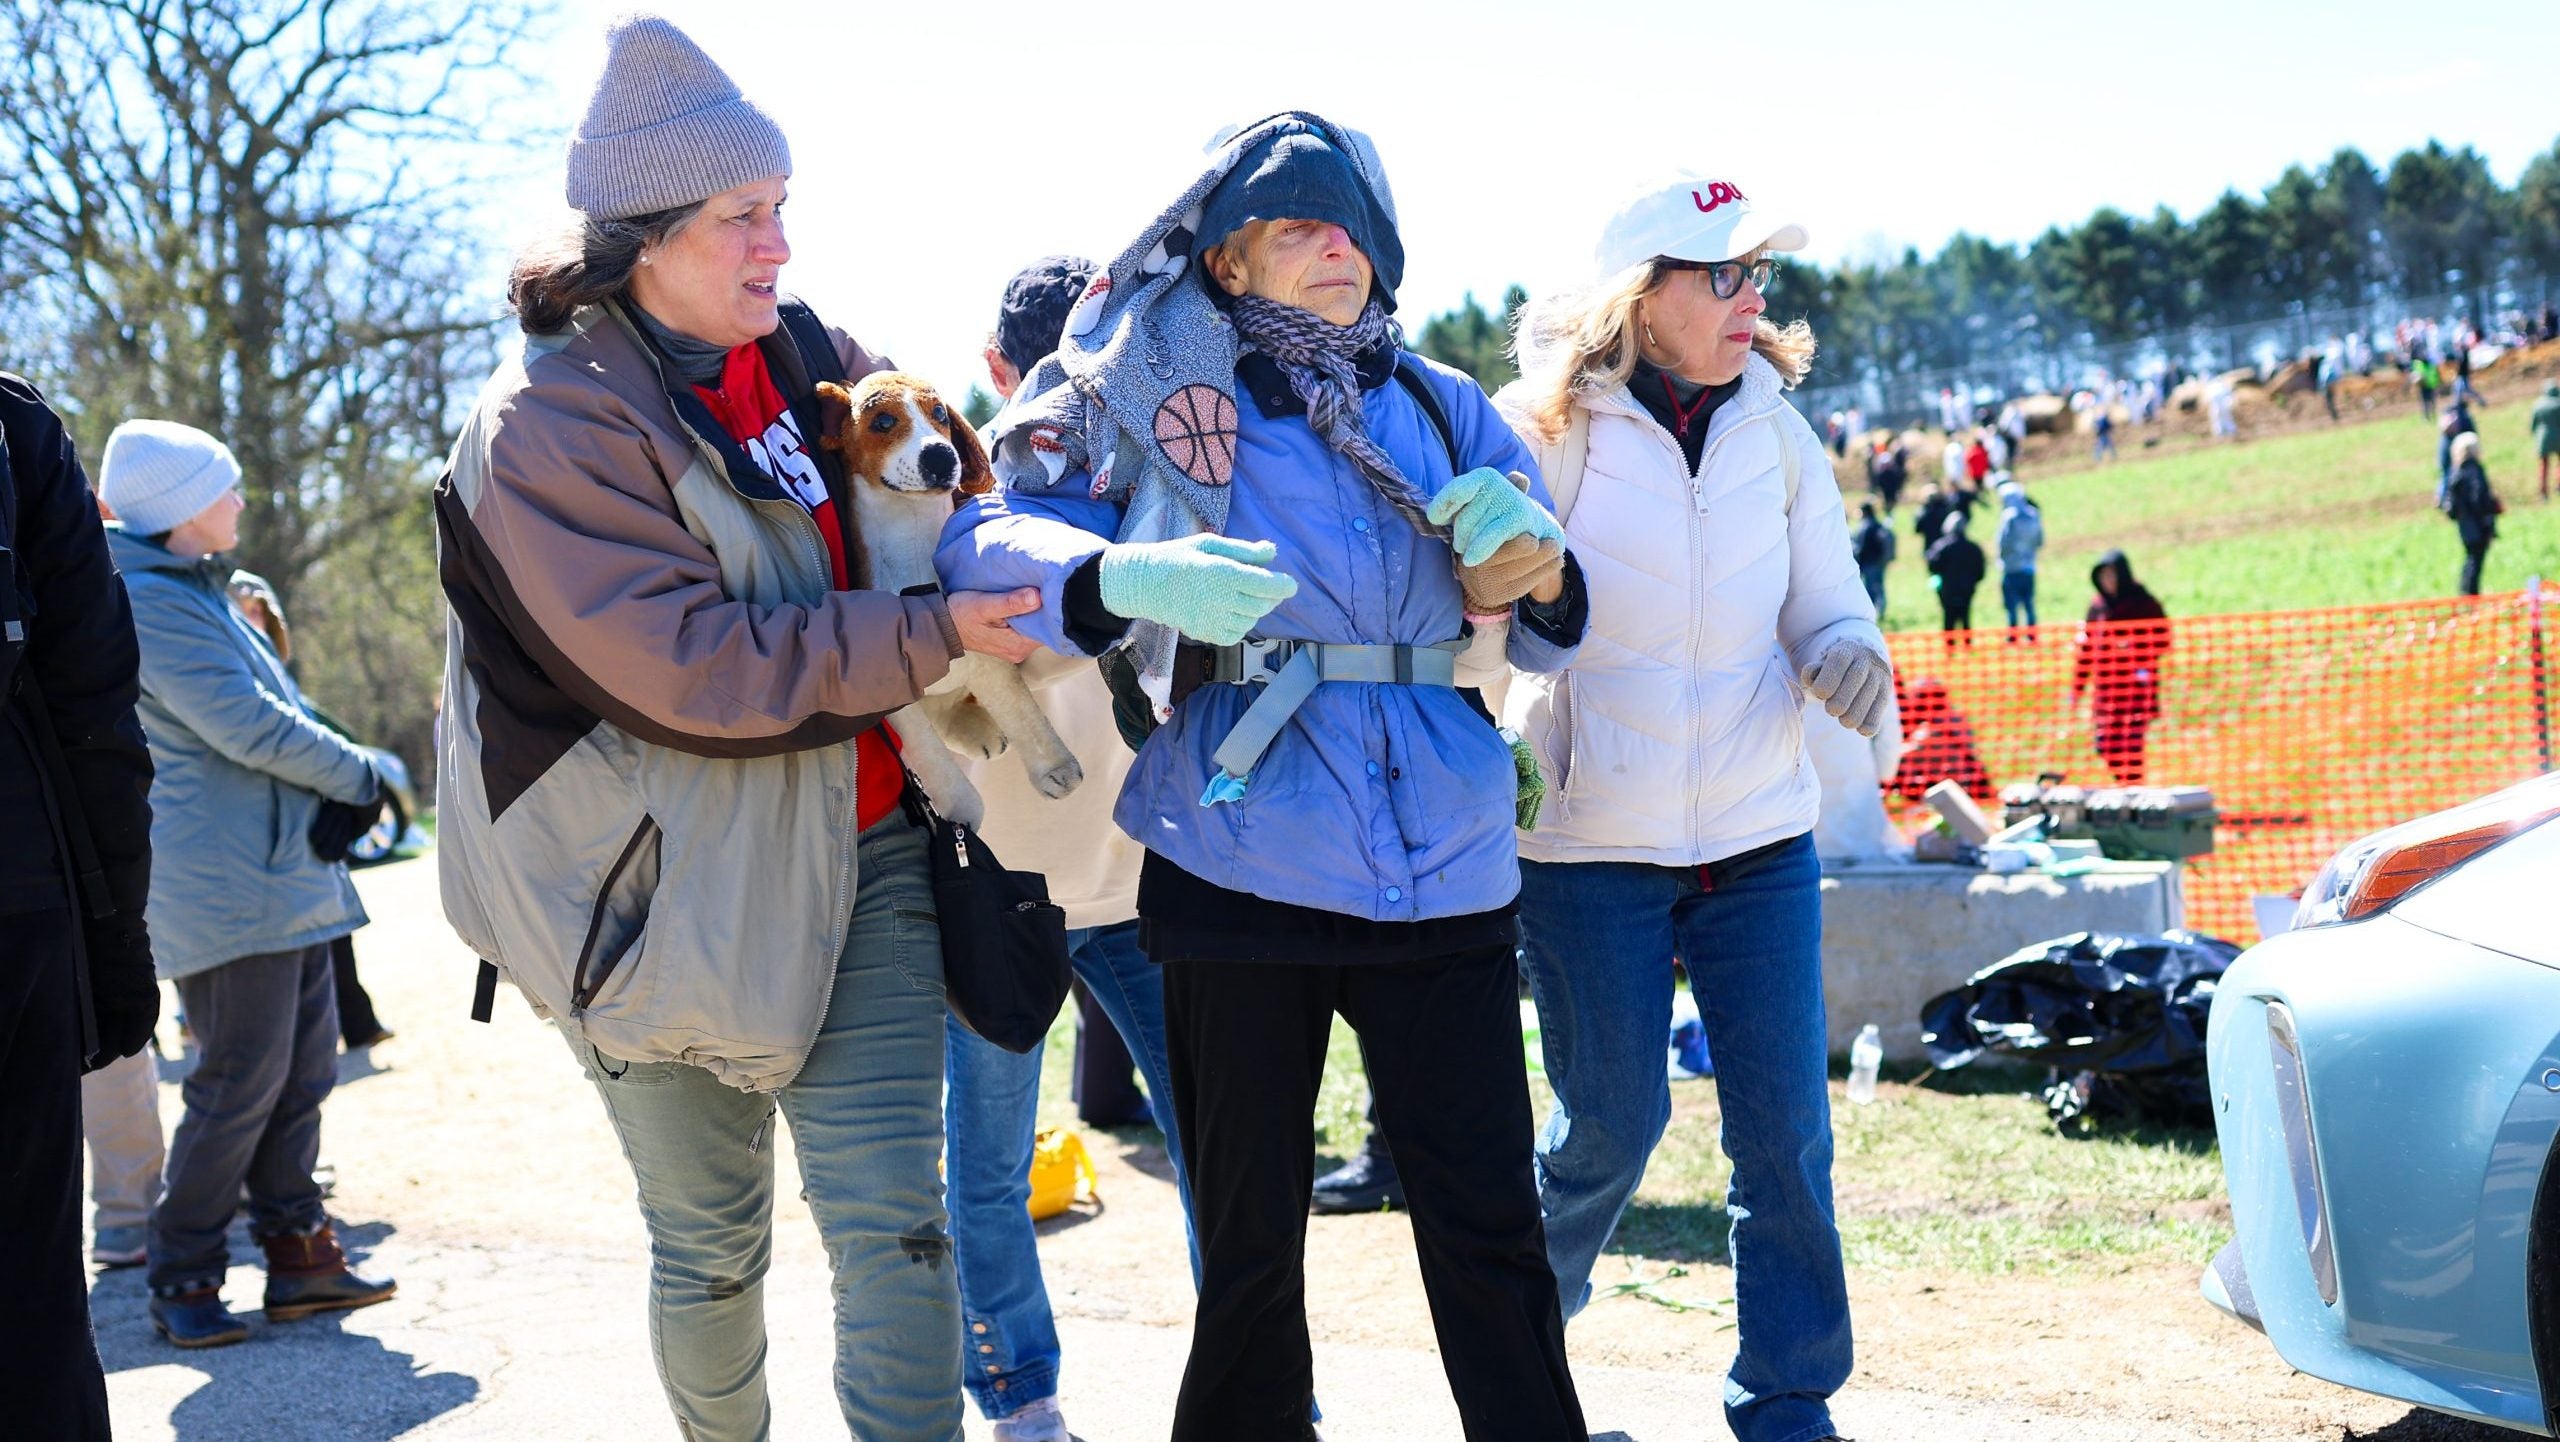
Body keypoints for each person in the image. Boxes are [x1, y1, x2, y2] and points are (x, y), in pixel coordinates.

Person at [433, 17, 1045, 1437]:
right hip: (642, 895)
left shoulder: (818, 353)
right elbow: (691, 669)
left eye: (783, 210)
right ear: (643, 239)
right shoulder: (546, 424)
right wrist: (934, 634)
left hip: (860, 849)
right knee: (713, 1252)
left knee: (900, 1224)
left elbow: (939, 513)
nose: (779, 247)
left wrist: (1044, 562)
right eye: (743, 218)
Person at [937, 112, 1589, 1441]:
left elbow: (1556, 610)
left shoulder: (1441, 401)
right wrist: (1111, 575)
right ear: (1223, 261)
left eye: (1350, 219)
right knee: (1248, 1256)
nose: (1334, 243)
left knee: (1491, 1236)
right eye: (1295, 221)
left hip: (1448, 861)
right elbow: (983, 543)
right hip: (1236, 855)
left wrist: (1548, 565)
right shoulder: (1141, 393)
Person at [1488, 172, 1882, 1442]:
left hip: (1760, 841)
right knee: (1611, 1122)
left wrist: (1845, 651)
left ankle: (1787, 1398)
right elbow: (1478, 617)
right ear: (1637, 297)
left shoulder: (1779, 428)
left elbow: (1826, 598)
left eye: (1757, 273)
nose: (1748, 296)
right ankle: (1518, 1390)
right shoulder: (1542, 428)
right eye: (1721, 274)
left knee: (1786, 1135)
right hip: (1589, 844)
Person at [943, 254, 1201, 1442]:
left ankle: (1021, 1404)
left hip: (1047, 876)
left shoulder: (979, 504)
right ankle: (1260, 1393)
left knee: (989, 1170)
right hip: (1078, 879)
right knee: (1219, 1151)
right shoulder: (971, 513)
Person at [98, 419, 396, 1348]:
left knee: (301, 1073)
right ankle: (182, 1270)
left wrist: (349, 768)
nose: (240, 502)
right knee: (238, 1083)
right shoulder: (149, 600)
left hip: (279, 870)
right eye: (223, 488)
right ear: (184, 508)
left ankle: (299, 1256)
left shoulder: (202, 589)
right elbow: (249, 726)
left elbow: (285, 707)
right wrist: (361, 775)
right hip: (228, 883)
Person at [0, 373, 160, 1440]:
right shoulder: (12, 427)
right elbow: (96, 701)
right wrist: (115, 934)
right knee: (26, 1282)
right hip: (15, 895)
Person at [226, 568, 394, 1051]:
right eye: (245, 609)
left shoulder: (283, 678)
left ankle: (356, 1022)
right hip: (266, 834)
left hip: (312, 826)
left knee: (334, 929)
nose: (255, 617)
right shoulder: (232, 676)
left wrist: (345, 790)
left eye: (261, 609)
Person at [2071, 551, 2170, 784]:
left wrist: (2133, 649)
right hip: (2106, 692)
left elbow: (2163, 639)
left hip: (2135, 690)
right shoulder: (2097, 607)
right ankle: (2126, 785)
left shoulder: (2143, 602)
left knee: (2131, 746)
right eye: (2103, 576)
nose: (2108, 581)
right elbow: (2087, 650)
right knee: (2105, 744)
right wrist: (2077, 688)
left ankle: (2133, 790)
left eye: (2112, 575)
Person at [1885, 676, 1990, 803]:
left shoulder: (1934, 728)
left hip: (1958, 785)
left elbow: (1902, 756)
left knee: (1892, 768)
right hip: (1963, 780)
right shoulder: (1953, 717)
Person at [2444, 432, 2501, 597]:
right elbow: (2479, 498)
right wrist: (2488, 517)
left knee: (2470, 559)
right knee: (2475, 560)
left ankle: (2466, 592)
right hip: (2477, 523)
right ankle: (2471, 595)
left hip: (2465, 525)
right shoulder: (2474, 470)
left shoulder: (2456, 472)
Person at [1926, 510, 1984, 644]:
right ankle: (1967, 644)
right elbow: (1980, 571)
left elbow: (1932, 565)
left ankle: (1949, 647)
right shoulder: (1973, 548)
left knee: (1949, 618)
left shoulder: (1942, 546)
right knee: (1965, 616)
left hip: (1948, 588)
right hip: (1967, 589)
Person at [1993, 476, 2043, 632]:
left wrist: (2003, 558)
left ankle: (2013, 636)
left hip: (2011, 568)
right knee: (2029, 604)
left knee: (2011, 606)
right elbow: (2040, 540)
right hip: (2029, 567)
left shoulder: (2009, 517)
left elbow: (2002, 542)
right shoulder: (2033, 514)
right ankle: (2032, 634)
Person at [1852, 500, 1896, 620]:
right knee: (1879, 587)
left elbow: (1861, 548)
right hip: (1879, 562)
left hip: (1869, 563)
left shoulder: (1864, 526)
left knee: (1870, 589)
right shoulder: (1878, 524)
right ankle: (1881, 611)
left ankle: (1871, 614)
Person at [2533, 380, 2560, 501]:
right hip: (2558, 438)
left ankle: (2543, 492)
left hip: (2543, 439)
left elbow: (2534, 424)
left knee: (2544, 466)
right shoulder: (2558, 404)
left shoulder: (2538, 404)